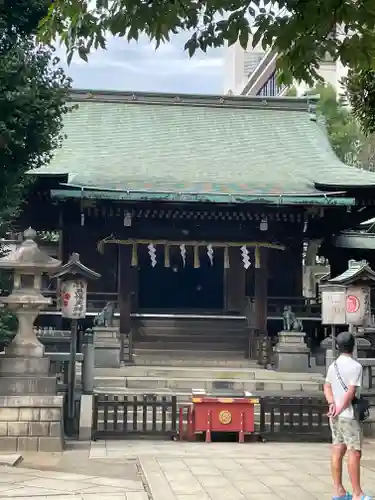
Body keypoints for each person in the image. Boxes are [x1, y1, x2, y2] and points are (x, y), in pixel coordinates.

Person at [324, 331, 371, 500]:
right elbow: (351, 393)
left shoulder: (333, 365)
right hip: (348, 416)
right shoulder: (355, 366)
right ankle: (357, 493)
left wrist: (332, 405)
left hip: (334, 416)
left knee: (337, 449)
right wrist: (341, 407)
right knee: (354, 452)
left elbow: (327, 387)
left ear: (337, 347)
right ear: (354, 346)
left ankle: (339, 490)